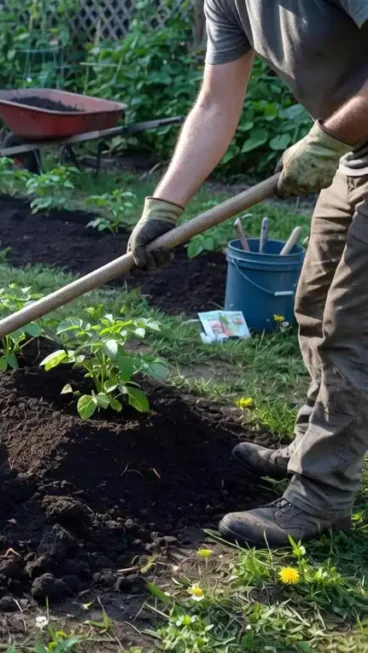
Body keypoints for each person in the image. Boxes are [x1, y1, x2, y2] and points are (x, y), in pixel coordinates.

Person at [127, 1, 368, 547]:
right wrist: (164, 205)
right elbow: (215, 103)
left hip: (346, 139)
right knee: (313, 306)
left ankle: (322, 495)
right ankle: (311, 446)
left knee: (353, 328)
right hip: (354, 152)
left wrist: (328, 137)